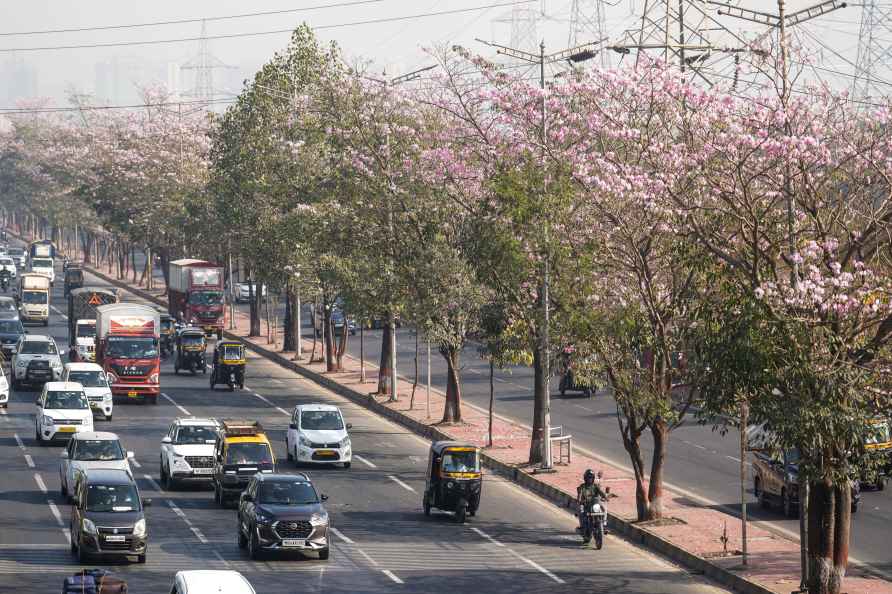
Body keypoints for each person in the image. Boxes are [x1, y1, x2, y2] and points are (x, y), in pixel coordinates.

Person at [577, 468, 609, 536]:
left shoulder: (595, 486)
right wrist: (579, 500)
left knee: (604, 508)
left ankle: (604, 524)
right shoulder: (582, 487)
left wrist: (605, 497)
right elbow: (579, 494)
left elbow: (600, 492)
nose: (590, 479)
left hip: (594, 504)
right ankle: (582, 526)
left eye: (591, 478)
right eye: (588, 477)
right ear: (585, 478)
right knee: (580, 510)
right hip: (585, 504)